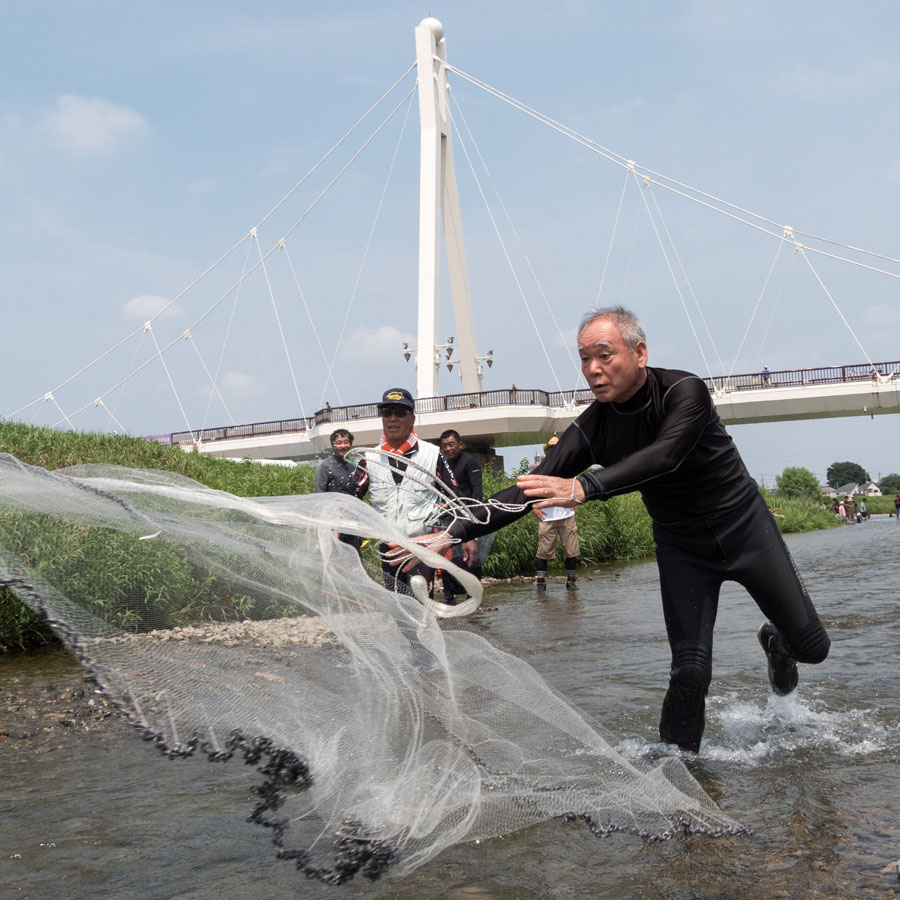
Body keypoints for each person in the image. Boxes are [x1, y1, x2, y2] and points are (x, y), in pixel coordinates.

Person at [409, 305, 830, 753]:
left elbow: (666, 455)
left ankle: (777, 645)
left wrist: (584, 486)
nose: (593, 369)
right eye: (585, 359)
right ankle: (677, 778)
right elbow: (526, 489)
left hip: (745, 529)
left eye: (604, 356)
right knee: (690, 670)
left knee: (813, 647)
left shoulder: (683, 392)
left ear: (640, 352)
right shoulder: (593, 427)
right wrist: (449, 533)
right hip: (682, 546)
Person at [366, 389, 476, 599]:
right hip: (388, 547)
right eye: (387, 412)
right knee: (397, 604)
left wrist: (468, 536)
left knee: (422, 603)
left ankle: (426, 630)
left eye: (400, 413)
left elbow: (456, 497)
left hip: (423, 544)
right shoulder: (369, 457)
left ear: (412, 418)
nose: (392, 419)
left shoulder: (432, 454)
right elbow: (348, 498)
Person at [438, 429, 484, 602]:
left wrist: (470, 521)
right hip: (448, 516)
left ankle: (473, 597)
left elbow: (477, 492)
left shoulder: (470, 462)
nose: (448, 449)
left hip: (468, 516)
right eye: (444, 446)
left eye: (451, 444)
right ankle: (449, 597)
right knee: (448, 557)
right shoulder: (442, 464)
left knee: (471, 557)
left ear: (460, 444)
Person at [531, 437, 580, 591]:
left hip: (567, 515)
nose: (553, 450)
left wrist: (576, 501)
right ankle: (540, 582)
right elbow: (529, 490)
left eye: (556, 447)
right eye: (551, 448)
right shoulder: (539, 468)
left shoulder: (570, 467)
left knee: (571, 550)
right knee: (543, 551)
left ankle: (571, 581)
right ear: (548, 451)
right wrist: (534, 507)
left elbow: (576, 485)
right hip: (547, 516)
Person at [314, 428, 369, 553]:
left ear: (350, 444)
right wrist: (329, 526)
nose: (343, 446)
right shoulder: (325, 466)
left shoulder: (352, 466)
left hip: (351, 525)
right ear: (332, 445)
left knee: (354, 560)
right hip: (333, 526)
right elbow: (319, 496)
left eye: (346, 442)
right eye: (338, 443)